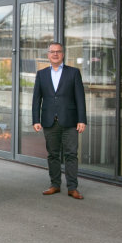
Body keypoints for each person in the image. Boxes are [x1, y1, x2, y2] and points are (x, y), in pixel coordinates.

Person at [32, 42, 87, 199]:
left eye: (58, 52)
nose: (55, 54)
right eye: (52, 52)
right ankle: (55, 185)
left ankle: (72, 187)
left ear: (63, 54)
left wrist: (81, 119)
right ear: (48, 55)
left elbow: (80, 98)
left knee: (71, 154)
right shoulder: (41, 74)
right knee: (53, 155)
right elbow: (36, 99)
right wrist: (36, 119)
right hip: (49, 121)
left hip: (70, 121)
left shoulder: (73, 73)